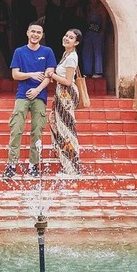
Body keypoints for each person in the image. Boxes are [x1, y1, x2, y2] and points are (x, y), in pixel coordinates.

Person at [2, 22, 56, 179]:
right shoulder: (19, 52)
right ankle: (12, 164)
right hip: (22, 95)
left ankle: (33, 165)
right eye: (33, 31)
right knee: (16, 128)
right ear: (27, 33)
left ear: (42, 35)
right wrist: (31, 74)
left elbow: (49, 76)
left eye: (39, 32)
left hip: (40, 96)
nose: (35, 34)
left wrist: (37, 90)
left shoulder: (47, 52)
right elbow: (15, 75)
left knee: (37, 130)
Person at [47, 28, 82, 176]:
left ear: (76, 42)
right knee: (55, 122)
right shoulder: (66, 54)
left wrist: (52, 75)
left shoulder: (72, 57)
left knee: (67, 128)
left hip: (66, 94)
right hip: (60, 93)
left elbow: (68, 81)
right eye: (66, 35)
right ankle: (64, 158)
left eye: (71, 38)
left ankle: (72, 166)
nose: (67, 38)